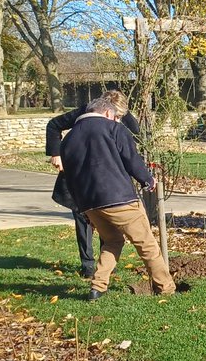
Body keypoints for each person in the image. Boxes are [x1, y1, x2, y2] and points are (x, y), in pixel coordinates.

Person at [59, 96, 174, 301]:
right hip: (120, 199)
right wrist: (148, 180)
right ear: (107, 112)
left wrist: (82, 208)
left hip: (89, 204)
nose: (117, 120)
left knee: (113, 241)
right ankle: (166, 288)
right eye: (116, 117)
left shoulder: (68, 139)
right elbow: (131, 158)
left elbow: (70, 177)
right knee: (146, 244)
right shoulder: (113, 128)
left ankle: (98, 286)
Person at [46, 89, 140, 279]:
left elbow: (135, 136)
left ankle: (106, 264)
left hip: (109, 178)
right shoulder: (86, 112)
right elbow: (54, 125)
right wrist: (56, 153)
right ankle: (87, 264)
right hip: (81, 174)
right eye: (115, 115)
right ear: (104, 109)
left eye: (120, 116)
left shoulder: (123, 117)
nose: (116, 120)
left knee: (109, 223)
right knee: (83, 219)